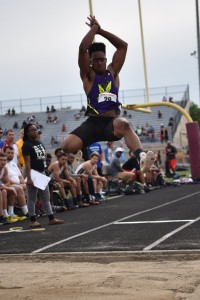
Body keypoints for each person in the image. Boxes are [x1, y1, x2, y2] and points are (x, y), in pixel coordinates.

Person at [62, 15, 154, 172]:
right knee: (67, 147)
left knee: (124, 124)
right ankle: (81, 153)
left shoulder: (113, 72)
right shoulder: (88, 76)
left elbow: (123, 46)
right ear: (90, 62)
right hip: (92, 123)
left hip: (111, 123)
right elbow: (82, 49)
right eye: (95, 60)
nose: (99, 62)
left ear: (106, 59)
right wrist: (93, 29)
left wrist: (101, 30)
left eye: (102, 59)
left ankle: (141, 157)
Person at [22, 124, 64, 227]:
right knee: (32, 198)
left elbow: (43, 159)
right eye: (32, 130)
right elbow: (27, 163)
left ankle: (51, 218)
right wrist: (29, 178)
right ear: (27, 132)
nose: (35, 132)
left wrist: (45, 172)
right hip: (32, 172)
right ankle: (32, 220)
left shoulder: (39, 143)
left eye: (36, 130)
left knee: (46, 197)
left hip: (41, 172)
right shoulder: (26, 145)